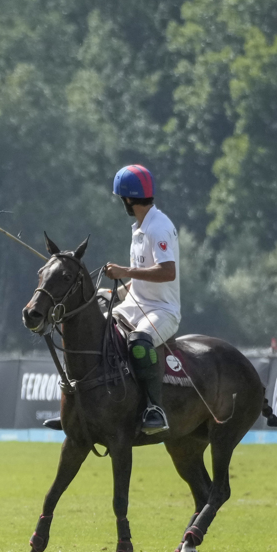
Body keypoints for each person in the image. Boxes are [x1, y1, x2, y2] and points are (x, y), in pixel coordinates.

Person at [102, 164, 179, 435]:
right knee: (96, 329)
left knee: (138, 343)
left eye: (121, 197)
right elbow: (142, 278)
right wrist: (116, 294)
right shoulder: (139, 228)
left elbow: (167, 272)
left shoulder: (159, 227)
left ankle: (153, 408)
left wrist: (123, 271)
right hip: (135, 305)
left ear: (129, 198)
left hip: (163, 311)